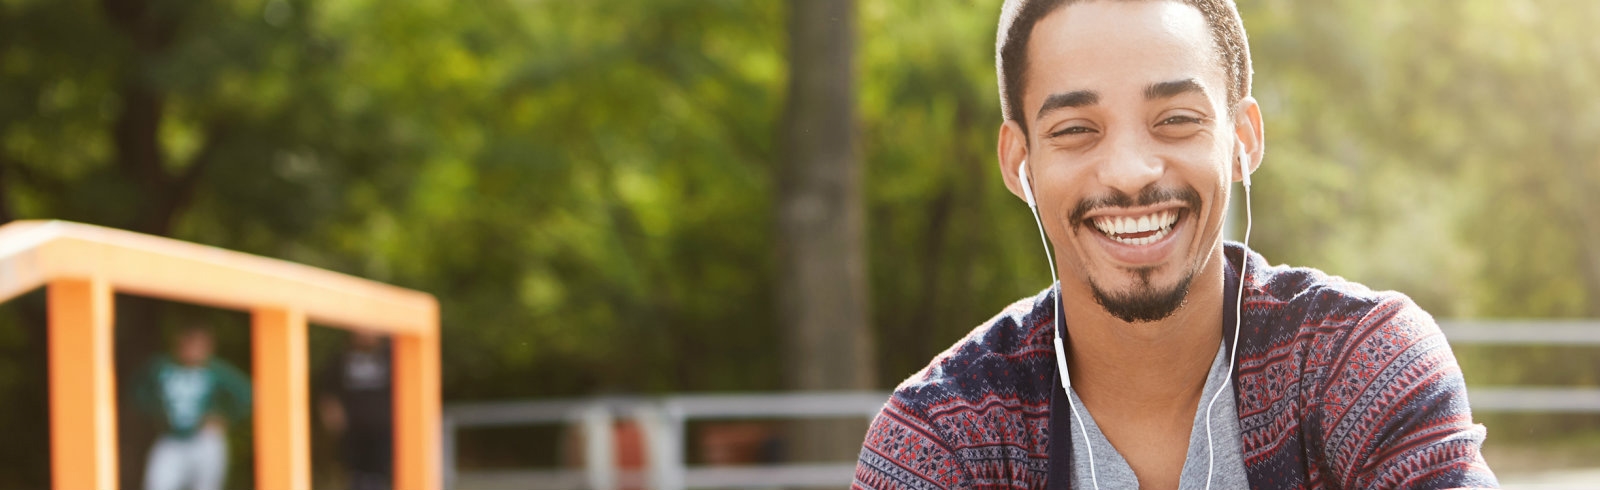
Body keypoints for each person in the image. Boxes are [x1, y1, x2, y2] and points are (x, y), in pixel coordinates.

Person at [852, 1, 1498, 489]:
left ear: (1242, 139)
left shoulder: (1360, 363)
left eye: (1177, 120)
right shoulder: (943, 436)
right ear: (1020, 161)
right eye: (1076, 129)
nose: (1131, 171)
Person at [133, 324, 252, 490]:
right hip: (171, 437)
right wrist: (157, 413)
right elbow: (138, 393)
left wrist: (226, 418)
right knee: (158, 483)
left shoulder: (215, 370)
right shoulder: (161, 367)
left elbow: (246, 393)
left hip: (205, 438)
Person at [318, 330, 394, 490]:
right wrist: (331, 412)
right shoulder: (341, 358)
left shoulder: (393, 356)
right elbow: (328, 389)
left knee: (381, 472)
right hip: (352, 427)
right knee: (354, 473)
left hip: (384, 426)